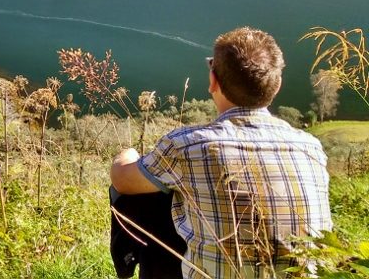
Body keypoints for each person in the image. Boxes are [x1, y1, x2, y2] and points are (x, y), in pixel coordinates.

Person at [110, 27, 332, 278]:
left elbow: (122, 180)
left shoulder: (188, 145)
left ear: (213, 81)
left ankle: (127, 265)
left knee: (150, 191)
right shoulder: (311, 148)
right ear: (277, 84)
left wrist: (127, 154)